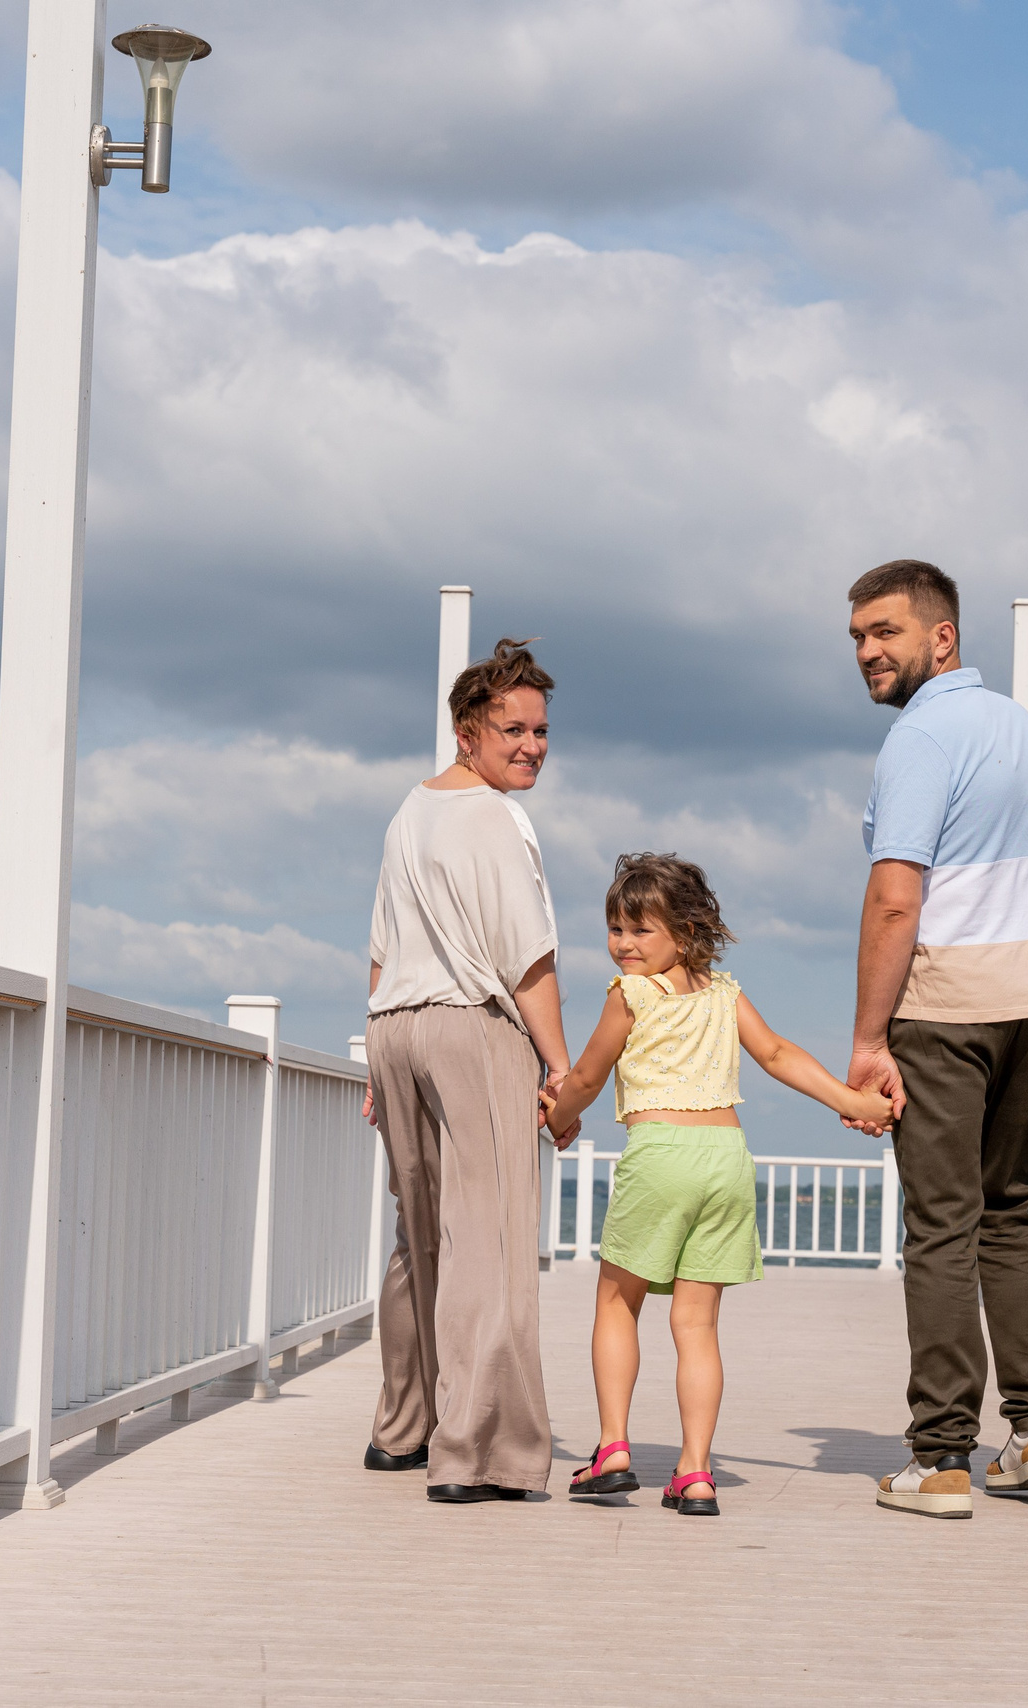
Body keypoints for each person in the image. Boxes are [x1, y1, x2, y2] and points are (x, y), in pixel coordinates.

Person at [841, 559, 1028, 1520]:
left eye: (885, 633)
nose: (868, 652)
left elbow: (896, 895)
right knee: (1010, 1212)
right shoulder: (1027, 734)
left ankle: (941, 1456)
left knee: (940, 1225)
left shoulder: (922, 736)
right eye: (858, 636)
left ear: (940, 637)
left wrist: (869, 1040)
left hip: (948, 1010)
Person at [545, 854, 892, 1517]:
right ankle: (696, 1472)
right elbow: (778, 1054)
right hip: (727, 1159)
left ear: (688, 930)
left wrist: (558, 1119)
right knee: (698, 1324)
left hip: (661, 1156)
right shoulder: (725, 995)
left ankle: (613, 1449)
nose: (623, 944)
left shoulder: (631, 997)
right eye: (616, 929)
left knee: (618, 1304)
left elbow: (587, 1076)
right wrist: (855, 1102)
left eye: (641, 930)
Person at [361, 639, 574, 1505]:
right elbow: (528, 960)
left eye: (541, 730)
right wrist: (561, 1069)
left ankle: (401, 1428)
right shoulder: (495, 816)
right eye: (511, 729)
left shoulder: (409, 812)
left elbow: (379, 951)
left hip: (395, 1028)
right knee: (488, 1241)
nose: (530, 745)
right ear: (466, 733)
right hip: (467, 1027)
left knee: (423, 1234)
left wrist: (380, 1059)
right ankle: (476, 1449)